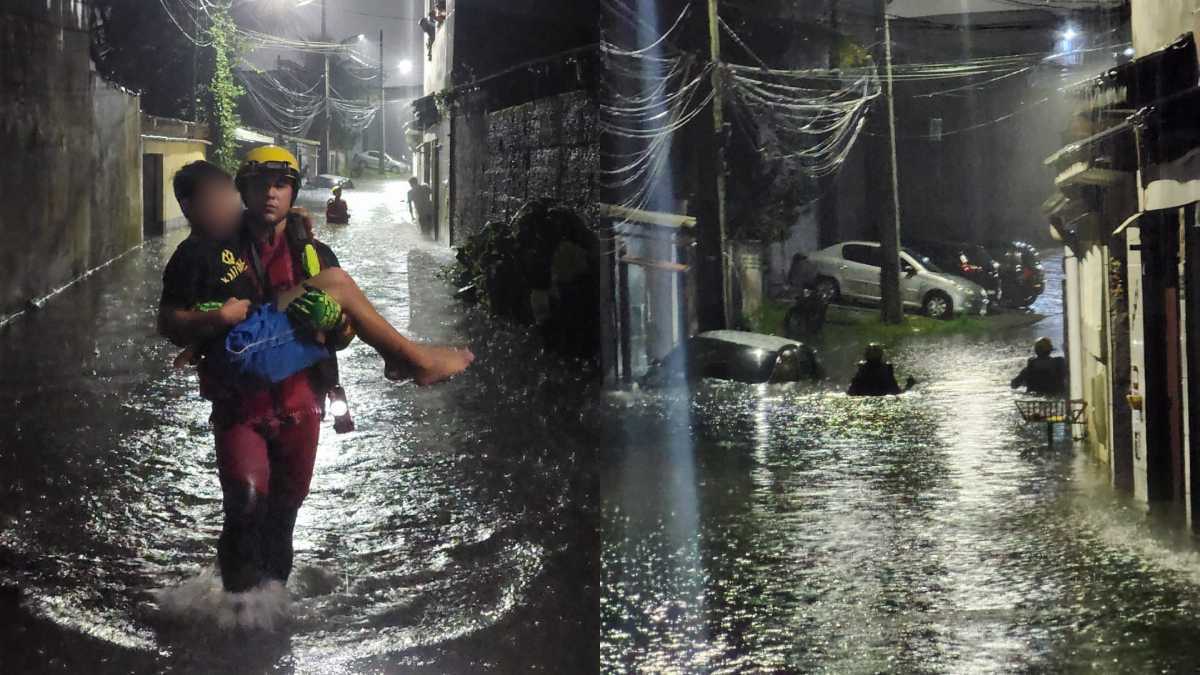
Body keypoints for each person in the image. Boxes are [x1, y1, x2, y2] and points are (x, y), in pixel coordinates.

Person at [158, 148, 473, 596]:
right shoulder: (204, 250)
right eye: (260, 182)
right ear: (241, 190)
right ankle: (235, 610)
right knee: (244, 506)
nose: (270, 192)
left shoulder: (315, 253)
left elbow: (343, 335)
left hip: (302, 403)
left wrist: (333, 323)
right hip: (239, 403)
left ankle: (269, 611)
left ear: (293, 193)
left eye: (281, 184)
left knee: (283, 519)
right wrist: (212, 320)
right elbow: (168, 323)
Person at [847, 343, 916, 396]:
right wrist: (908, 386)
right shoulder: (885, 369)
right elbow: (896, 392)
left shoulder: (863, 369)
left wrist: (908, 386)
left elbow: (851, 392)